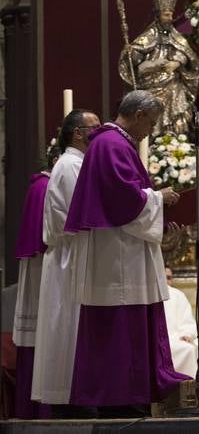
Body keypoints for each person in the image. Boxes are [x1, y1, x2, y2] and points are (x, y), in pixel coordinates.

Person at [64, 90, 186, 415]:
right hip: (118, 257)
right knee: (121, 329)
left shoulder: (112, 143)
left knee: (123, 327)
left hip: (121, 251)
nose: (151, 130)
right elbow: (123, 200)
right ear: (138, 115)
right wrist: (160, 198)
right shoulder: (112, 144)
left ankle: (127, 398)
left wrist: (155, 200)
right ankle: (123, 401)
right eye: (152, 122)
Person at [31, 110, 100, 414]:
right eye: (95, 127)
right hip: (69, 257)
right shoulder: (72, 165)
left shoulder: (78, 163)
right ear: (78, 133)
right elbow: (85, 211)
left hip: (73, 254)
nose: (100, 132)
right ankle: (72, 401)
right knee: (68, 328)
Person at [118, 0, 199, 139]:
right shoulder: (148, 36)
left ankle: (177, 143)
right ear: (158, 15)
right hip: (150, 85)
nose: (169, 17)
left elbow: (189, 56)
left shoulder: (176, 36)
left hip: (173, 86)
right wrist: (130, 53)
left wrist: (177, 63)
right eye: (166, 14)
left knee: (178, 115)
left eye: (171, 14)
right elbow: (135, 60)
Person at [12, 145, 59, 418]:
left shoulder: (44, 184)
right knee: (43, 336)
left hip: (44, 266)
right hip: (44, 269)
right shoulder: (45, 187)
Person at [163, 268, 198, 378]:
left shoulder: (178, 295)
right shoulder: (147, 296)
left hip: (176, 340)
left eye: (168, 278)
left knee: (188, 350)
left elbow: (187, 321)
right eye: (162, 277)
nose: (165, 281)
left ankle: (188, 391)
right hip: (154, 342)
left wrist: (186, 334)